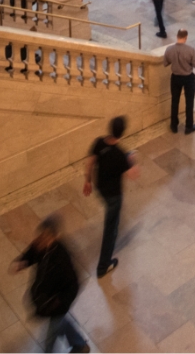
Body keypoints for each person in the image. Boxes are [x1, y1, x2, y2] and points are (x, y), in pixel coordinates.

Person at [9, 216, 90, 354]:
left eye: (46, 237)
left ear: (55, 237)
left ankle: (78, 346)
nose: (42, 240)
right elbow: (32, 252)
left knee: (50, 339)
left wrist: (59, 302)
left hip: (56, 304)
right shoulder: (41, 245)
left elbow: (73, 286)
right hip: (46, 298)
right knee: (62, 324)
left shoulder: (62, 258)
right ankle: (80, 344)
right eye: (42, 236)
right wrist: (22, 262)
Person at [84, 116, 134, 278]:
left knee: (112, 222)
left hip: (101, 189)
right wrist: (132, 159)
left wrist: (88, 182)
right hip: (114, 196)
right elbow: (133, 174)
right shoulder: (120, 155)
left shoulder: (99, 142)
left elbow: (90, 163)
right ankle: (103, 266)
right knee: (110, 229)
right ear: (122, 134)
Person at [163, 28, 195, 133]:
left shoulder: (169, 49)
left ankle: (174, 125)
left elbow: (165, 63)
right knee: (189, 102)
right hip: (188, 78)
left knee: (174, 101)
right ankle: (189, 126)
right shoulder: (190, 50)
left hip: (175, 78)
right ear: (186, 37)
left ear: (177, 36)